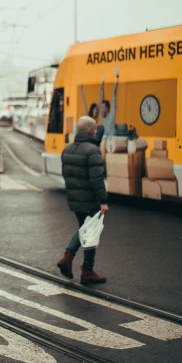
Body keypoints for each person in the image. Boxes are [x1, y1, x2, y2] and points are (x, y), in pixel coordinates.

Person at [56, 116, 109, 285]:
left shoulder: (68, 149)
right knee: (90, 232)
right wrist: (103, 200)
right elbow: (97, 179)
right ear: (91, 131)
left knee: (84, 229)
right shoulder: (92, 150)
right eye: (94, 129)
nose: (96, 131)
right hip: (90, 199)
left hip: (74, 199)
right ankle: (85, 269)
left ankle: (70, 258)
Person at [101, 67, 119, 139]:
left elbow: (114, 94)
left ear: (107, 108)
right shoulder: (103, 116)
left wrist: (116, 78)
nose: (101, 109)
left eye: (103, 107)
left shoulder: (112, 113)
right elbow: (102, 97)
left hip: (112, 138)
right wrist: (102, 83)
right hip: (104, 139)